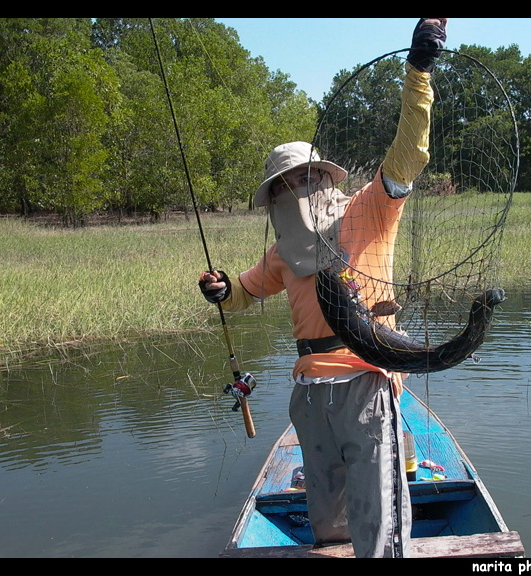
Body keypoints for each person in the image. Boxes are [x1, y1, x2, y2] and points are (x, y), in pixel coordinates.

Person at [199, 18, 447, 558]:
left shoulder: (370, 210)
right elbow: (244, 291)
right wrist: (222, 290)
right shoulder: (282, 253)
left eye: (307, 177)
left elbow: (409, 152)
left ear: (326, 179)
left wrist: (419, 72)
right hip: (309, 395)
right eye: (288, 183)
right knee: (326, 515)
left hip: (365, 379)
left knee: (378, 518)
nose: (300, 188)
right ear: (277, 195)